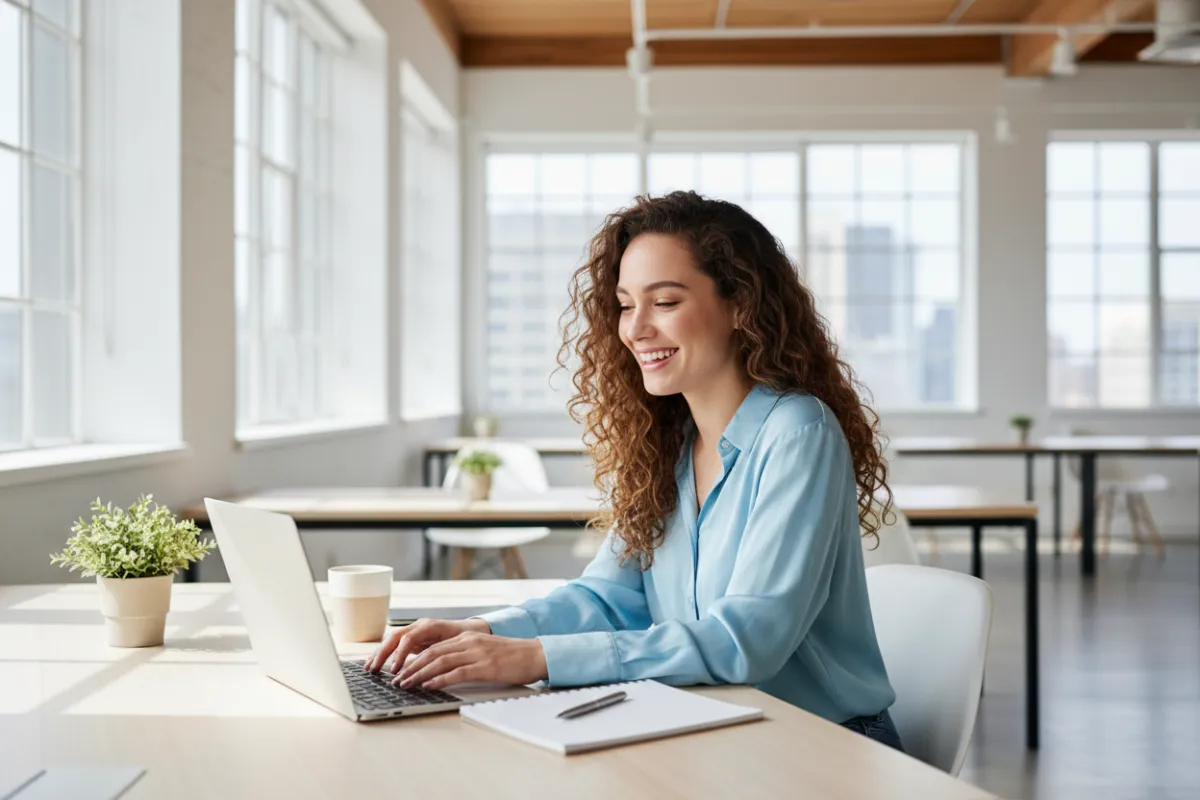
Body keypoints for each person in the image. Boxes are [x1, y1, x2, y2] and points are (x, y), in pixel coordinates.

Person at [366, 190, 903, 751]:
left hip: (826, 742)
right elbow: (608, 598)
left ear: (740, 304)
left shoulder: (797, 432)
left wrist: (532, 657)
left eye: (664, 302)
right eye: (625, 305)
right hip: (722, 728)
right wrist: (485, 630)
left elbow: (748, 640)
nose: (635, 329)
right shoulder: (671, 445)